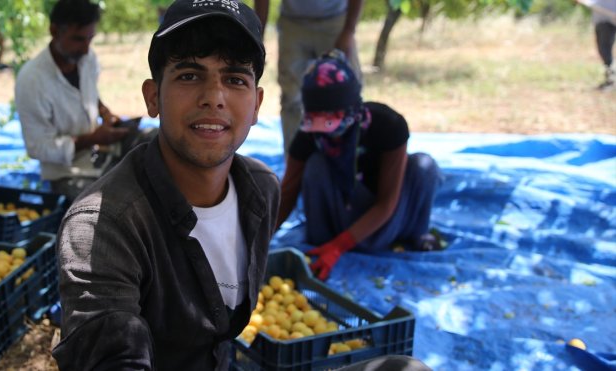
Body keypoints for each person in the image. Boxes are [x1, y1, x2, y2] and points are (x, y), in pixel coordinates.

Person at [51, 0, 280, 369]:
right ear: (153, 96)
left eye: (235, 79)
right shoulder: (101, 227)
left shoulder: (261, 190)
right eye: (189, 75)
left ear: (256, 105)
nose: (213, 97)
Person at [278, 51, 442, 281]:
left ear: (352, 111)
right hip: (337, 218)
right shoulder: (310, 136)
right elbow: (287, 193)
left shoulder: (388, 125)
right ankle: (321, 243)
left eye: (332, 121)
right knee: (316, 165)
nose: (327, 132)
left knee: (424, 166)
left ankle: (417, 235)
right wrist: (256, 242)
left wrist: (339, 247)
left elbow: (387, 203)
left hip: (385, 223)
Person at [15, 0, 130, 203]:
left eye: (90, 39)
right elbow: (37, 147)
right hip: (68, 174)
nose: (86, 49)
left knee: (157, 141)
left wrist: (105, 113)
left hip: (102, 155)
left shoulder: (87, 59)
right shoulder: (32, 80)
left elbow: (91, 94)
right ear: (54, 31)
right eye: (78, 39)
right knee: (104, 206)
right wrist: (93, 138)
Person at [253, 0, 364, 155]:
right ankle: (295, 163)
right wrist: (258, 35)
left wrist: (349, 30)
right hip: (292, 23)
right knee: (291, 99)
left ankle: (350, 159)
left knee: (346, 94)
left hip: (335, 21)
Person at [589, 0, 616, 90]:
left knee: (606, 51)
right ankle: (610, 79)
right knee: (603, 51)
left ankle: (611, 81)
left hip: (608, 22)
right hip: (601, 21)